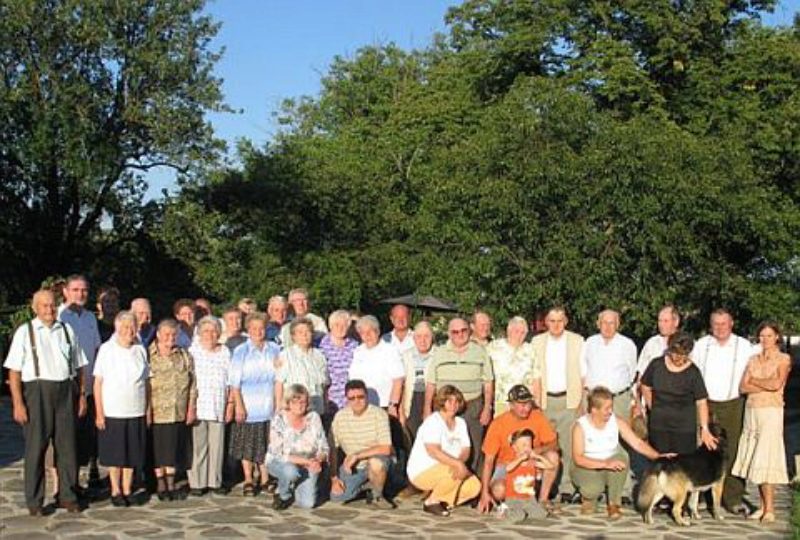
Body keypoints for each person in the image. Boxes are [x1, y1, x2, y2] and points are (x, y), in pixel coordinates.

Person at [4, 289, 88, 515]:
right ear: (35, 308)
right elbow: (14, 371)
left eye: (52, 305)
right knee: (36, 448)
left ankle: (67, 495)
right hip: (37, 391)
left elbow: (80, 366)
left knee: (67, 447)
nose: (49, 310)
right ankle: (35, 501)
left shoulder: (67, 330)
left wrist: (81, 395)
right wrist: (18, 403)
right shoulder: (25, 332)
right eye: (44, 306)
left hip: (65, 390)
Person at [691, 308, 755, 514]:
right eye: (716, 324)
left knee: (733, 449)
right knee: (702, 448)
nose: (720, 328)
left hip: (733, 402)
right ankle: (700, 495)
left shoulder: (744, 346)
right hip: (705, 402)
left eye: (723, 323)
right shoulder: (701, 345)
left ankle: (732, 497)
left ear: (731, 324)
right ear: (711, 325)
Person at [571, 386, 669, 520]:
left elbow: (637, 443)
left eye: (611, 407)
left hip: (610, 462)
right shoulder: (580, 426)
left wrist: (658, 456)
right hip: (587, 466)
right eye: (606, 408)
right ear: (594, 410)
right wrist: (605, 464)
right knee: (593, 488)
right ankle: (589, 498)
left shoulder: (616, 421)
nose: (610, 411)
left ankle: (613, 504)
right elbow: (578, 459)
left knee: (622, 458)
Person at [732, 322, 792, 523]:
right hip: (752, 410)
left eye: (769, 335)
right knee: (754, 456)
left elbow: (776, 384)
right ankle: (762, 505)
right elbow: (742, 386)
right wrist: (759, 383)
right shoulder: (753, 359)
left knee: (766, 456)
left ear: (776, 337)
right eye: (762, 336)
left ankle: (770, 508)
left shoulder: (783, 359)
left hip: (771, 411)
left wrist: (755, 381)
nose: (765, 340)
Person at [93, 311, 150, 507]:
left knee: (132, 452)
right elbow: (98, 383)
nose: (129, 331)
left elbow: (147, 381)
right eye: (125, 327)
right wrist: (99, 412)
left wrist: (147, 408)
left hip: (136, 409)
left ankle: (127, 489)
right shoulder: (106, 350)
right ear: (117, 328)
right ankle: (115, 489)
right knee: (115, 453)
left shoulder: (140, 349)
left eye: (132, 327)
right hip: (113, 410)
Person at [530, 307, 585, 501]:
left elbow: (583, 373)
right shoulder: (537, 342)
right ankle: (545, 485)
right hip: (544, 401)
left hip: (569, 400)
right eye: (552, 320)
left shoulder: (577, 341)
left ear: (566, 321)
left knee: (568, 446)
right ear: (545, 322)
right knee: (545, 445)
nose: (555, 325)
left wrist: (581, 402)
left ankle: (567, 487)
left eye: (559, 320)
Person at [425, 317, 494, 472]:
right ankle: (446, 483)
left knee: (473, 446)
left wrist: (487, 408)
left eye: (463, 330)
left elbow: (488, 383)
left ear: (469, 331)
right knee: (446, 446)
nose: (460, 334)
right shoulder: (440, 353)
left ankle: (472, 484)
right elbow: (431, 383)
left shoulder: (480, 352)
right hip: (445, 407)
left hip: (472, 405)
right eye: (455, 332)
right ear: (449, 333)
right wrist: (427, 409)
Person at [478, 385, 560, 515]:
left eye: (528, 403)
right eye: (520, 404)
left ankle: (543, 499)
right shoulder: (498, 423)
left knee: (553, 456)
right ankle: (517, 499)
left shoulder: (537, 416)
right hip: (507, 465)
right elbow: (489, 460)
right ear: (511, 405)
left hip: (531, 463)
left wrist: (537, 451)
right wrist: (484, 493)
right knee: (499, 491)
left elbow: (554, 443)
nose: (525, 408)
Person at [406, 385, 481, 516]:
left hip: (449, 466)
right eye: (449, 401)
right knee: (454, 471)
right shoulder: (433, 421)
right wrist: (457, 464)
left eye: (457, 401)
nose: (454, 405)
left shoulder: (461, 423)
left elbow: (466, 449)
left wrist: (459, 462)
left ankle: (443, 499)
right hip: (424, 469)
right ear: (442, 402)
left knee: (474, 486)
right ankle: (431, 502)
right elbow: (433, 451)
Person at [228, 312, 279, 496]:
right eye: (254, 328)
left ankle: (265, 478)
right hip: (248, 405)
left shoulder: (274, 349)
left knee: (265, 444)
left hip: (268, 404)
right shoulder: (241, 351)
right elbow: (234, 382)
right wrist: (239, 405)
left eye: (261, 328)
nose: (258, 332)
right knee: (247, 445)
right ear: (248, 330)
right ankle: (249, 478)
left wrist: (277, 403)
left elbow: (278, 379)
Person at [58, 274, 102, 487]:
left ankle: (87, 475)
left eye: (84, 290)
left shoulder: (90, 317)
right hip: (67, 385)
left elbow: (96, 349)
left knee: (88, 434)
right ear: (65, 291)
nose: (80, 294)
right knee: (68, 436)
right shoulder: (59, 316)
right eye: (75, 290)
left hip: (91, 384)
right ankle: (67, 483)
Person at [640, 333, 715, 454]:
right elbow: (645, 385)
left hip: (684, 429)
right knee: (659, 463)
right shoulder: (656, 365)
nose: (677, 358)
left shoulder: (693, 372)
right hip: (659, 426)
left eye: (682, 355)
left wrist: (705, 429)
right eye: (674, 353)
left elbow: (701, 402)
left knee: (683, 466)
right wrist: (653, 407)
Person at [148, 319, 197, 500]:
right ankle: (161, 483)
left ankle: (171, 482)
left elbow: (193, 383)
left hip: (178, 409)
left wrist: (191, 407)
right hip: (156, 410)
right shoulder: (148, 355)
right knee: (158, 448)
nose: (170, 338)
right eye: (166, 334)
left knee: (173, 448)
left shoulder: (184, 355)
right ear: (159, 335)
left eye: (174, 334)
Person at [330, 379, 395, 509]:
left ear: (366, 396)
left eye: (360, 397)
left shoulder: (379, 414)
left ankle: (377, 495)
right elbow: (332, 448)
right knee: (337, 497)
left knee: (376, 463)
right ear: (347, 399)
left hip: (376, 460)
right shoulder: (340, 417)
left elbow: (386, 448)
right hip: (354, 466)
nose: (357, 401)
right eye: (352, 398)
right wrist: (334, 479)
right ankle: (366, 487)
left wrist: (357, 455)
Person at [188, 316, 233, 496]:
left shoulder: (225, 352)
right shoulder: (192, 351)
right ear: (199, 333)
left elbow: (230, 381)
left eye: (214, 331)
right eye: (206, 331)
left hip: (218, 404)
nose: (210, 334)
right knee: (198, 446)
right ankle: (197, 482)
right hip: (198, 404)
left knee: (217, 445)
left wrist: (230, 403)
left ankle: (215, 481)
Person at [267, 384, 329, 510]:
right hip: (283, 461)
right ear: (288, 403)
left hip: (309, 462)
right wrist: (306, 461)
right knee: (291, 472)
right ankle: (283, 494)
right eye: (295, 402)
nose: (300, 406)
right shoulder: (279, 419)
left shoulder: (314, 417)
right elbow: (279, 453)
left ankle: (297, 485)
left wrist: (318, 460)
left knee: (307, 504)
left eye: (303, 402)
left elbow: (323, 446)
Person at [491, 429, 553, 522]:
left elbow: (550, 466)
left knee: (541, 514)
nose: (527, 448)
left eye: (529, 445)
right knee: (518, 516)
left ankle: (526, 510)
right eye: (524, 445)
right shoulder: (513, 461)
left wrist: (538, 457)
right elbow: (508, 468)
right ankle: (505, 509)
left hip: (529, 499)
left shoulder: (532, 462)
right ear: (515, 447)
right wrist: (520, 459)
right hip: (514, 498)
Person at [275, 317, 330, 416]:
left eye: (307, 332)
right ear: (293, 336)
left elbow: (325, 385)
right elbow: (279, 383)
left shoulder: (319, 355)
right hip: (295, 410)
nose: (304, 335)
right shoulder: (286, 355)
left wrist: (326, 405)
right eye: (300, 332)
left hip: (317, 408)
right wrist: (279, 406)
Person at [349, 315, 404, 411]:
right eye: (363, 333)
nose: (367, 335)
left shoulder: (390, 350)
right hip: (362, 405)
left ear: (378, 332)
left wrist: (393, 405)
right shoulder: (358, 351)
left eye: (370, 331)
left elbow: (398, 380)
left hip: (384, 405)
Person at [487, 316, 537, 417]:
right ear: (508, 331)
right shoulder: (493, 347)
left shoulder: (531, 350)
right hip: (501, 402)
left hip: (525, 403)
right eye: (516, 331)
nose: (519, 335)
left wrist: (536, 403)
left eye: (523, 333)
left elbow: (537, 378)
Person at [399, 321, 436, 439]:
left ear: (432, 338)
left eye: (427, 336)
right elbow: (402, 385)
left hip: (433, 399)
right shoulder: (406, 356)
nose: (423, 340)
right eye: (419, 336)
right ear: (414, 338)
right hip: (412, 399)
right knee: (412, 436)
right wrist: (401, 411)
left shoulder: (439, 354)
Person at [318, 309, 359, 415]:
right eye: (337, 325)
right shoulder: (321, 347)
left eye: (344, 325)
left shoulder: (355, 346)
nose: (340, 328)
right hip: (331, 401)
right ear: (330, 326)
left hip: (352, 400)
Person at [636, 305, 681, 381]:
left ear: (676, 322)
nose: (661, 325)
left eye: (666, 321)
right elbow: (642, 371)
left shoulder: (686, 343)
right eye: (659, 321)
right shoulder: (651, 343)